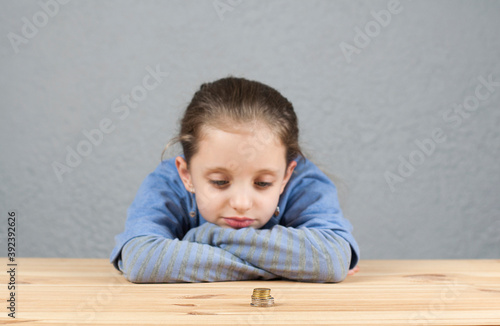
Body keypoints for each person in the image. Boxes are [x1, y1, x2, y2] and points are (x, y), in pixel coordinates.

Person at [110, 76, 360, 283]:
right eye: (220, 182)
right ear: (186, 175)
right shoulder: (166, 183)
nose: (241, 203)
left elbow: (332, 258)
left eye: (262, 183)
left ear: (286, 176)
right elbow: (143, 260)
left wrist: (204, 237)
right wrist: (290, 267)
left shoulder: (305, 182)